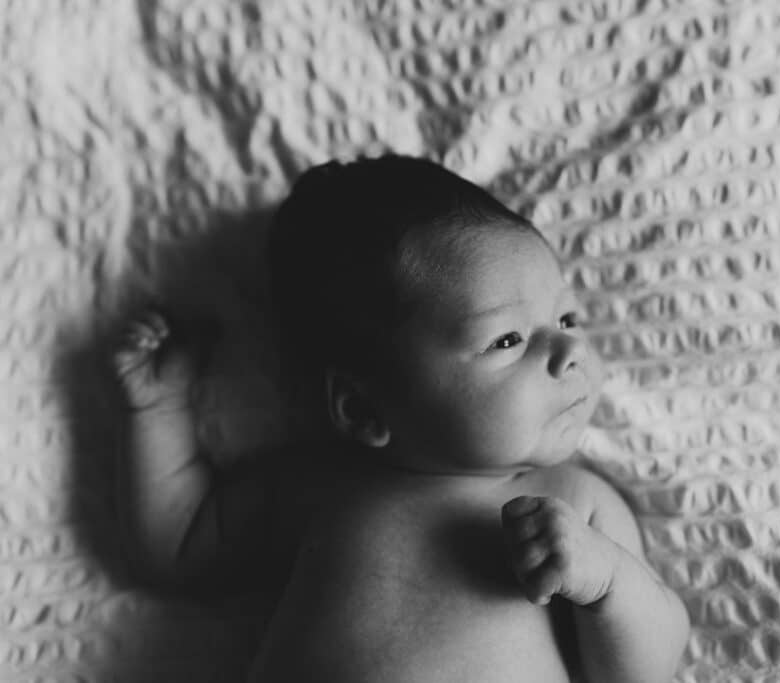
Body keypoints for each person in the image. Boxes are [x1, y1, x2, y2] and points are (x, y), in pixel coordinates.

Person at [113, 154, 689, 682]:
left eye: (566, 318)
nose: (569, 353)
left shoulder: (573, 506)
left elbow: (644, 672)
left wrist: (607, 583)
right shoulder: (321, 488)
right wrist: (159, 410)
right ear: (363, 409)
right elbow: (178, 545)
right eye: (508, 338)